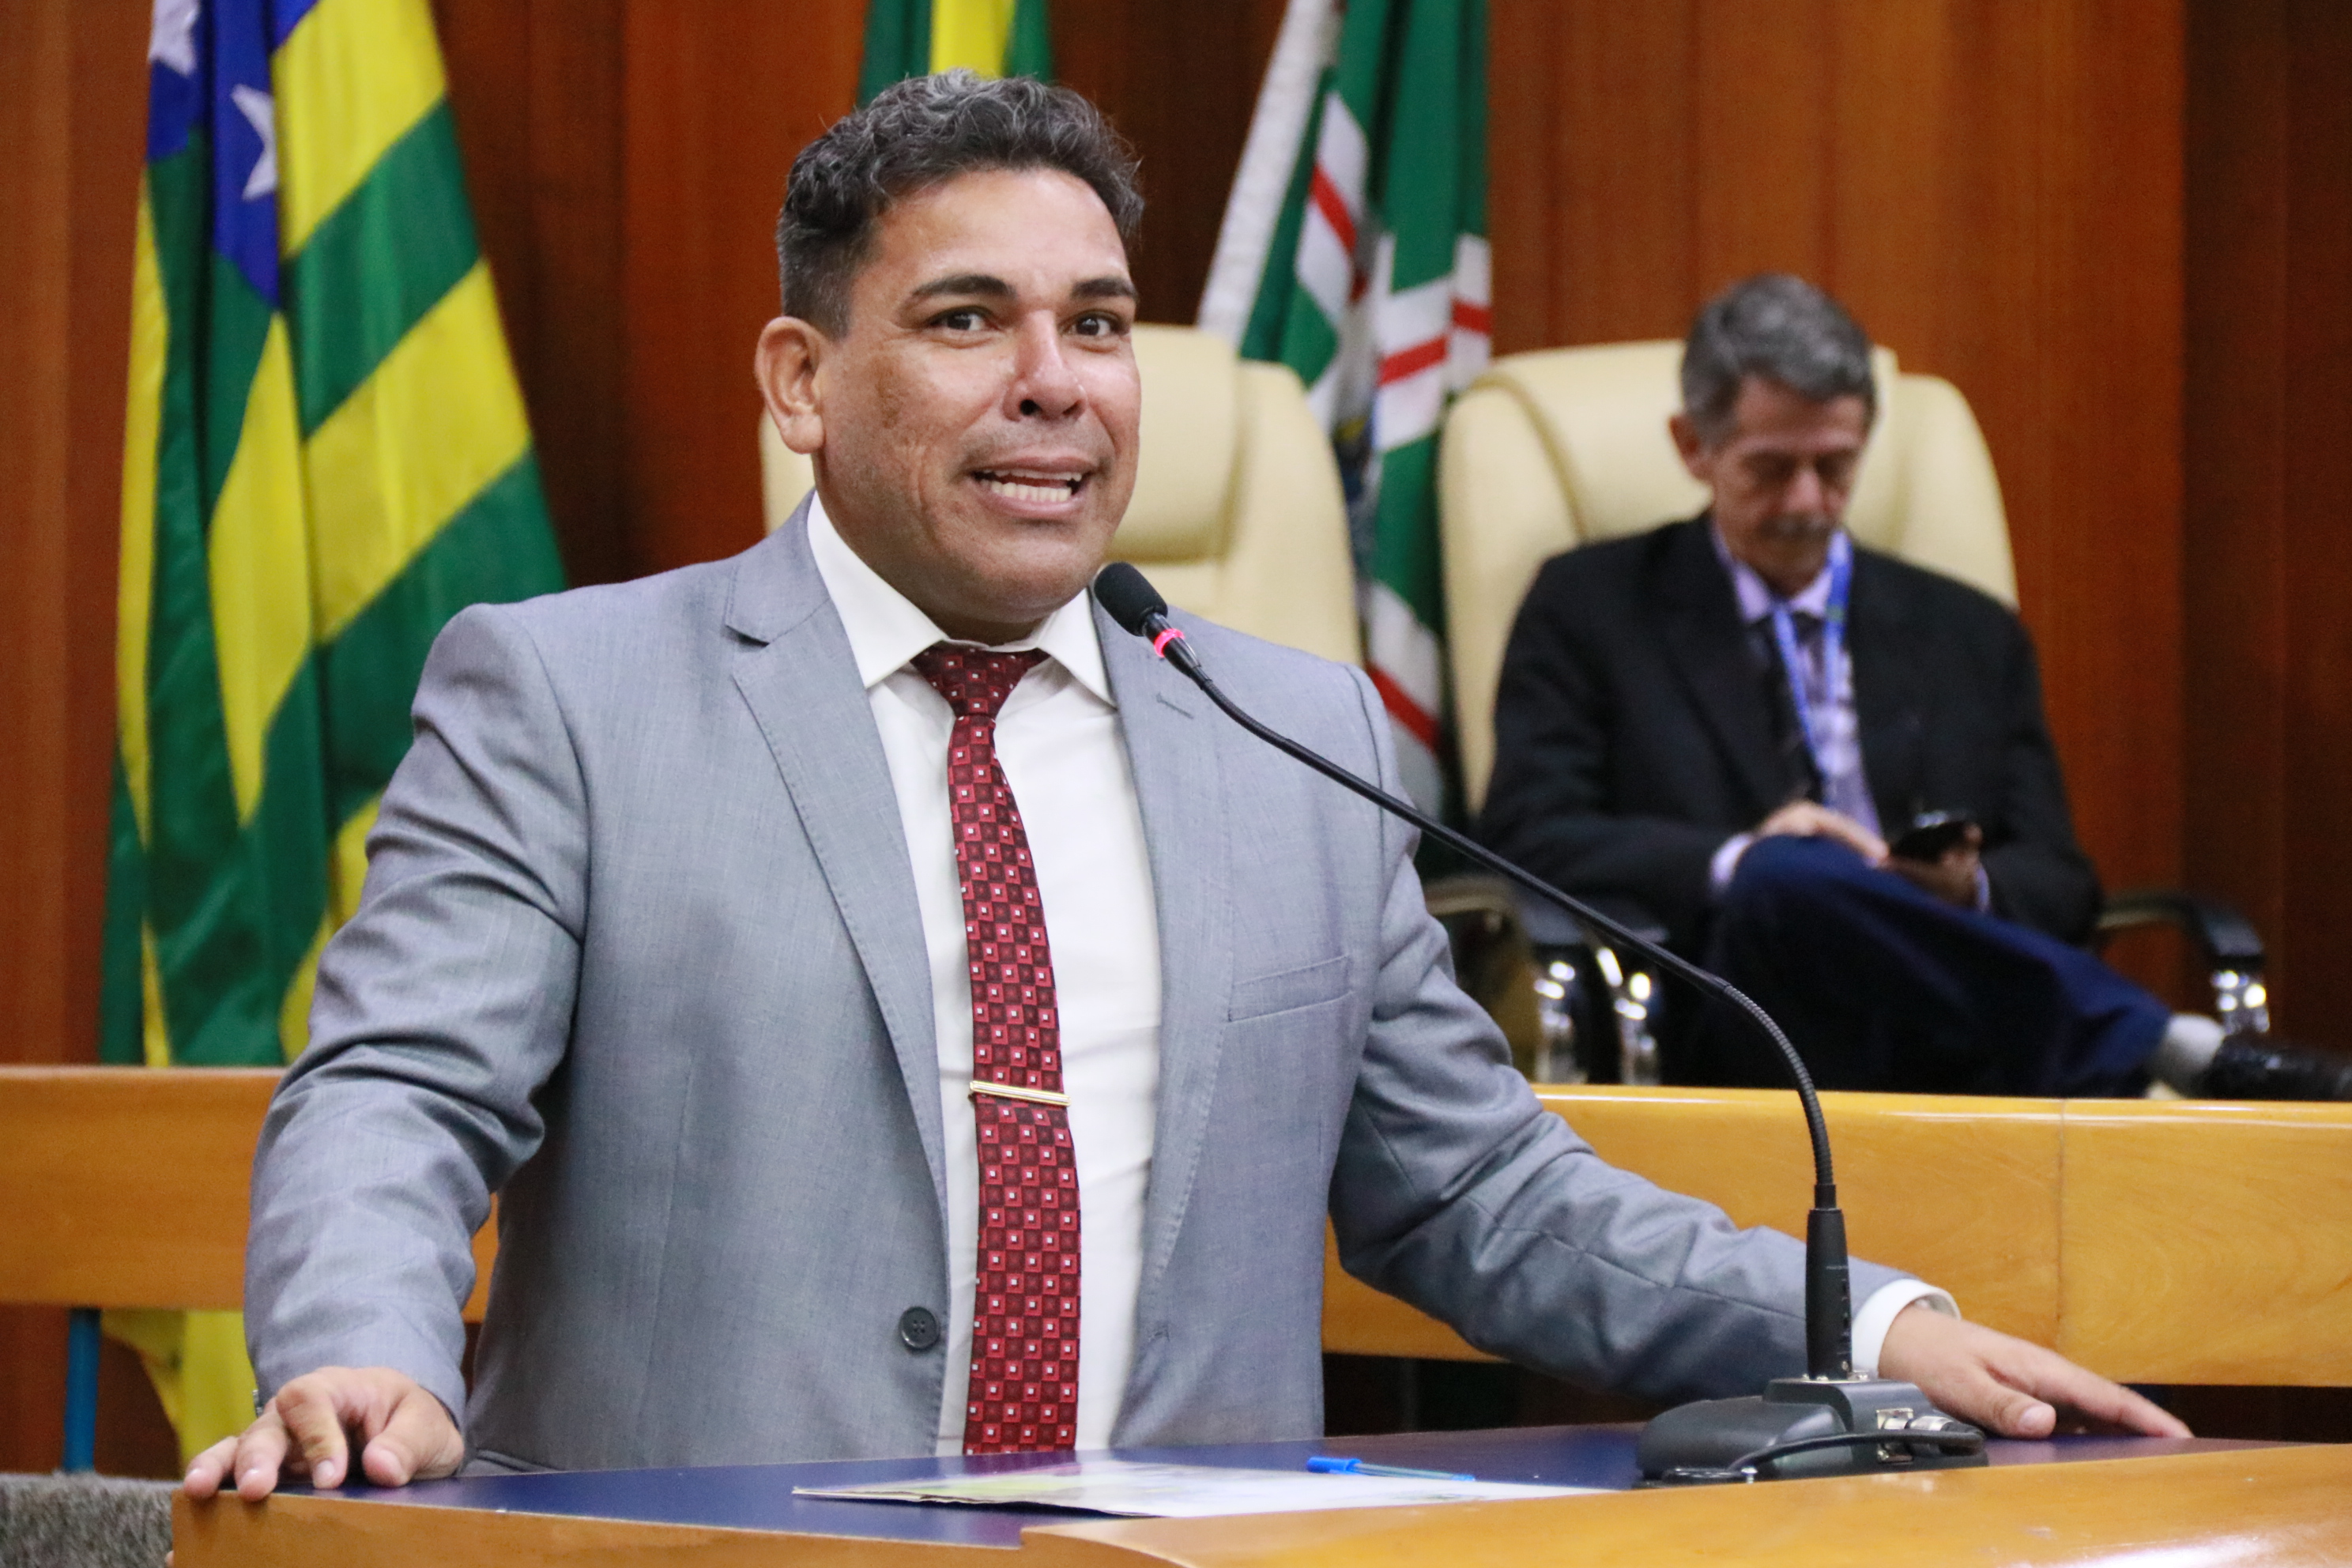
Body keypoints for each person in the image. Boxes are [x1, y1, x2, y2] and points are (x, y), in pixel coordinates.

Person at [183, 79, 2181, 1505]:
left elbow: (1479, 1189)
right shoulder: (571, 693)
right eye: (967, 319)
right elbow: (399, 1087)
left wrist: (1865, 1325)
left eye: (1101, 324)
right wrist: (363, 1349)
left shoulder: (1288, 733)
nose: (1056, 380)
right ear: (801, 382)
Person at [1480, 273, 2352, 1101]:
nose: (1809, 501)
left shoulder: (1967, 630)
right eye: (1771, 469)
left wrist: (1967, 888)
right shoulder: (1590, 606)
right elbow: (1528, 834)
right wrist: (1741, 859)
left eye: (1835, 466)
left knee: (1816, 884)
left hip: (1956, 1037)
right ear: (1692, 447)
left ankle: (2118, 1039)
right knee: (1784, 876)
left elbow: (2060, 876)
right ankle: (2162, 1045)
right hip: (1741, 1018)